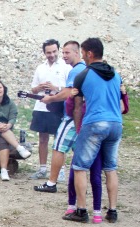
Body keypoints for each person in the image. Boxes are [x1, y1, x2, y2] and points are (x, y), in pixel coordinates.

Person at [64, 38, 123, 223]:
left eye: (82, 52)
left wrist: (78, 128)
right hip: (115, 124)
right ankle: (112, 211)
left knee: (80, 167)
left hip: (95, 123)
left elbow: (78, 107)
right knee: (110, 168)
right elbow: (121, 102)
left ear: (89, 53)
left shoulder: (83, 75)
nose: (82, 56)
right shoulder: (116, 74)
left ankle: (81, 211)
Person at [34, 41, 86, 193]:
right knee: (78, 150)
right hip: (80, 116)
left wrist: (50, 99)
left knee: (58, 147)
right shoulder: (83, 69)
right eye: (63, 53)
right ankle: (80, 184)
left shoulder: (75, 70)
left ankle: (51, 183)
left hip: (71, 116)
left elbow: (68, 92)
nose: (63, 56)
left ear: (77, 52)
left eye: (66, 53)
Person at [29, 39, 71, 180]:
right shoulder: (40, 68)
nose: (51, 54)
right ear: (44, 53)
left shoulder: (66, 67)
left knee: (58, 139)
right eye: (48, 52)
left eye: (54, 51)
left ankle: (60, 170)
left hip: (57, 108)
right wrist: (39, 87)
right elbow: (33, 89)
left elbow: (69, 89)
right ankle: (42, 168)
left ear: (58, 50)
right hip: (41, 106)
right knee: (42, 139)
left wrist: (56, 88)